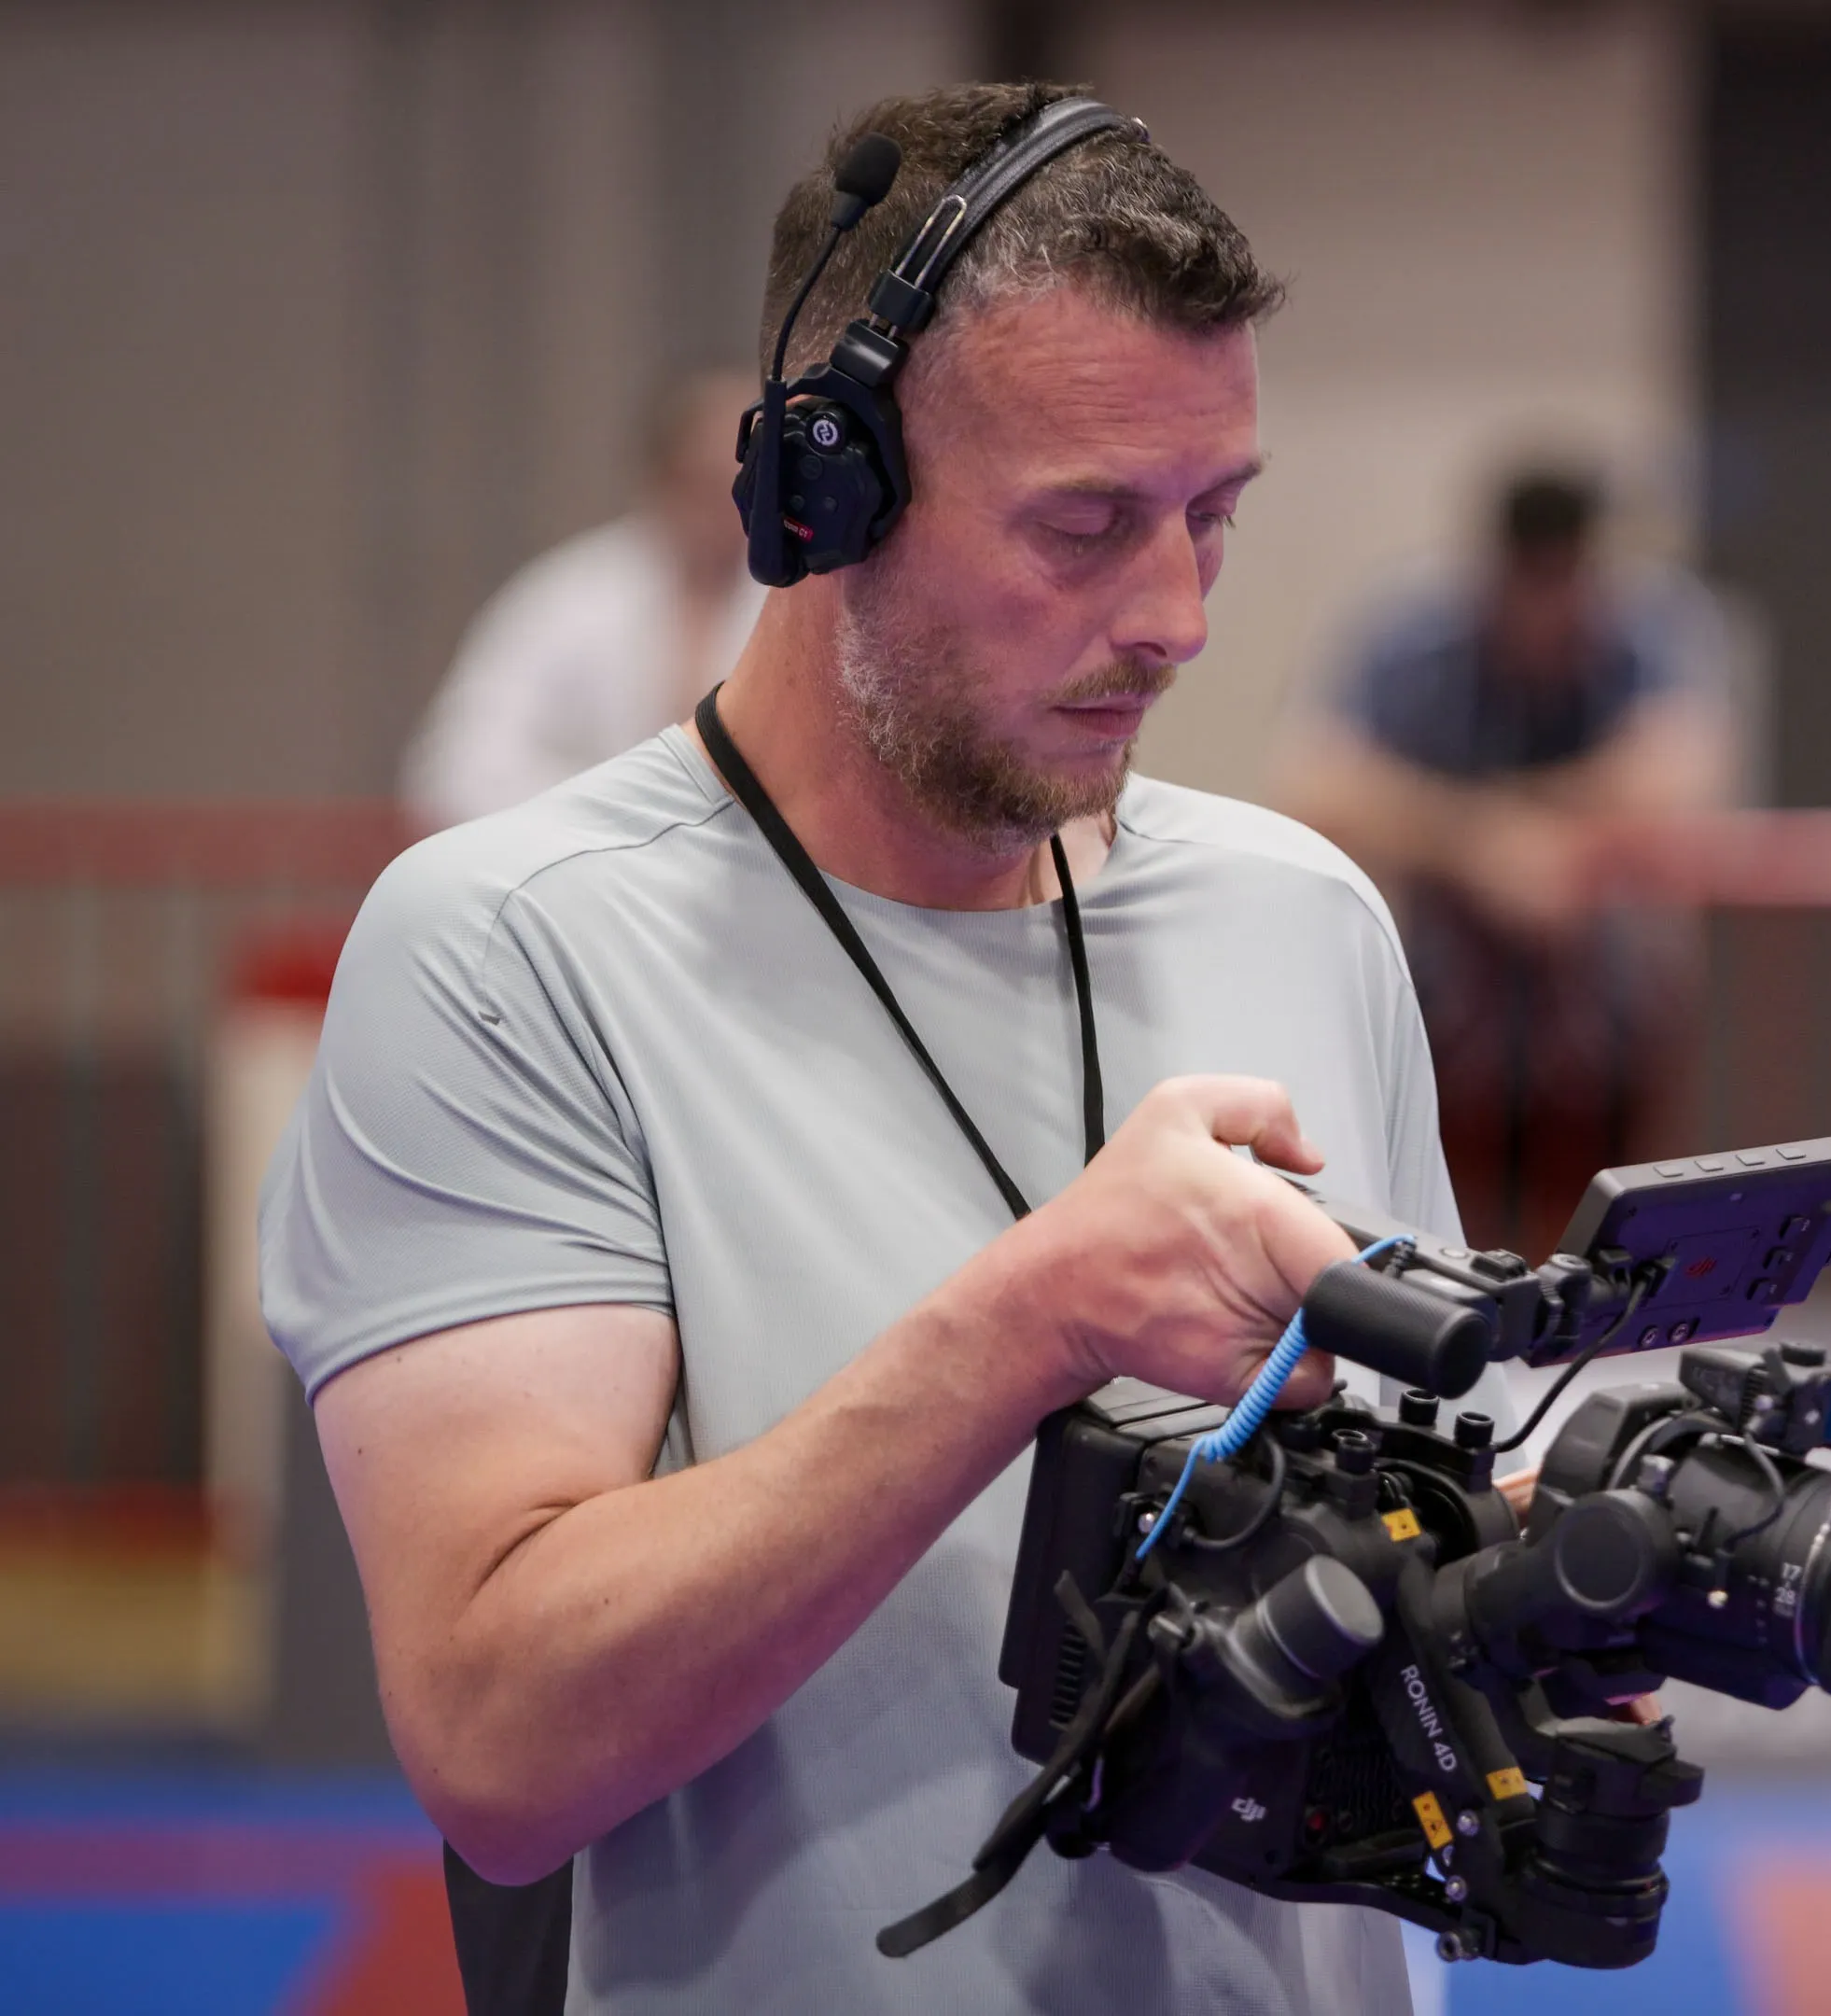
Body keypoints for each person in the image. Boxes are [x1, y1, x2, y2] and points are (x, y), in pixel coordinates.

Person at [264, 84, 1446, 2009]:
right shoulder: (512, 953)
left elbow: (1403, 1529)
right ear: (823, 498)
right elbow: (496, 1749)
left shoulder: (1300, 915)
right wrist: (1034, 1319)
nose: (1175, 619)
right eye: (1084, 526)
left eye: (1213, 518)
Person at [1267, 470, 1737, 1263]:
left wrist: (1544, 838)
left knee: (1608, 1233)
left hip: (1606, 1011)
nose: (1551, 616)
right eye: (1533, 588)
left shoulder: (1649, 622)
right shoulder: (1412, 630)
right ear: (1497, 570)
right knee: (1437, 1221)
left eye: (1571, 588)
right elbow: (1313, 781)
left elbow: (1686, 773)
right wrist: (1478, 843)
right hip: (1446, 1006)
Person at [400, 367, 767, 829]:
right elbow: (455, 768)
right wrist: (621, 815)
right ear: (662, 478)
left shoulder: (807, 596)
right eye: (709, 480)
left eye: (751, 476)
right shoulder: (570, 598)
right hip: (591, 868)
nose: (732, 501)